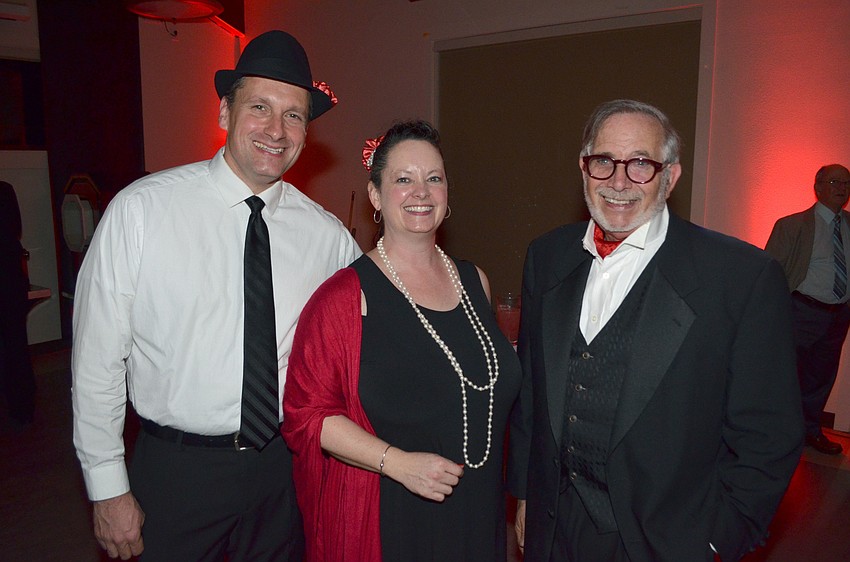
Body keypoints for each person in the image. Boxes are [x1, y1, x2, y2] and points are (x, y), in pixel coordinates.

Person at [72, 30, 360, 561]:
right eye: (260, 107)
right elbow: (96, 358)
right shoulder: (142, 212)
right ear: (225, 113)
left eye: (293, 115)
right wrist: (107, 485)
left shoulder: (329, 239)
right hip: (177, 472)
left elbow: (367, 342)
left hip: (281, 471)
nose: (277, 130)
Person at [506, 99, 803, 562]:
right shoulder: (547, 257)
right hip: (555, 527)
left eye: (641, 164)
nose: (619, 182)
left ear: (671, 176)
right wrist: (525, 492)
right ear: (584, 170)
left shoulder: (740, 277)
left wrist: (715, 539)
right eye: (604, 162)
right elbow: (531, 396)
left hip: (664, 540)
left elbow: (769, 436)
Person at [282, 120, 522, 561]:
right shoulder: (345, 296)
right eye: (403, 179)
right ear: (375, 194)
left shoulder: (476, 283)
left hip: (479, 513)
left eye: (434, 178)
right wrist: (399, 464)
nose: (422, 192)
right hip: (397, 516)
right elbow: (305, 415)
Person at [765, 164, 850, 456]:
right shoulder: (791, 225)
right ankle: (776, 436)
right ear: (818, 187)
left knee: (822, 376)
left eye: (846, 182)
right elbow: (770, 273)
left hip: (839, 314)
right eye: (835, 181)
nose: (842, 187)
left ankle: (810, 432)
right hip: (801, 310)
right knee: (787, 375)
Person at [0, 180, 36, 428]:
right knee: (16, 344)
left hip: (9, 278)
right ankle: (22, 406)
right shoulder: (5, 190)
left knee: (9, 347)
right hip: (11, 278)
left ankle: (18, 405)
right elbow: (16, 229)